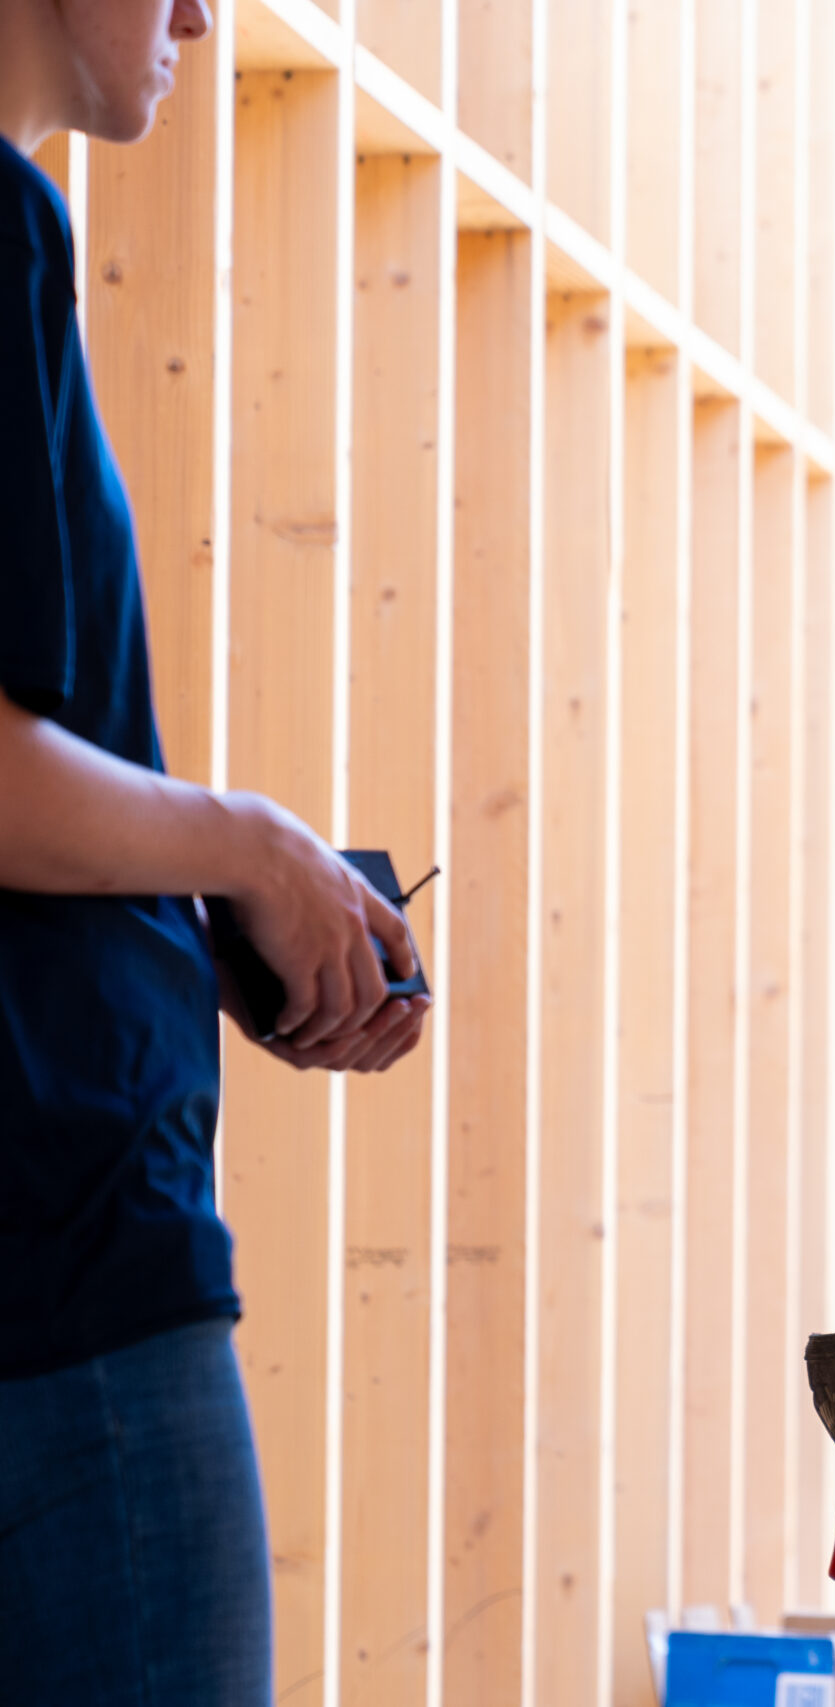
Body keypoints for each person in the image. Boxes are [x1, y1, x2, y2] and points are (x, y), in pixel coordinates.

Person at [0, 3, 429, 1701]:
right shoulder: (6, 231)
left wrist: (228, 909)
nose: (196, 16)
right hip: (67, 1251)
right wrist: (249, 849)